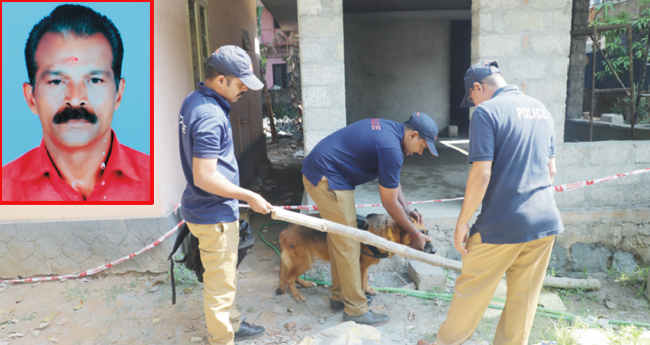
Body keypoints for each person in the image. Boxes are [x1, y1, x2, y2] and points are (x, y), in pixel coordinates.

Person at [417, 61, 564, 345]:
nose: (473, 103)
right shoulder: (541, 109)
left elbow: (482, 174)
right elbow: (551, 170)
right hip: (545, 220)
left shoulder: (486, 112)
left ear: (478, 87)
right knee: (524, 298)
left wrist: (462, 222)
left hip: (502, 224)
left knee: (471, 289)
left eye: (471, 98)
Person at [1, 4, 150, 202]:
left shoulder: (157, 181)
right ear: (31, 98)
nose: (76, 98)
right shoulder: (5, 188)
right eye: (56, 81)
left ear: (119, 94)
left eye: (95, 80)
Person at [302, 113, 438, 326]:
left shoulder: (391, 132)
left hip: (328, 174)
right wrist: (414, 233)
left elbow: (392, 180)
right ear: (413, 135)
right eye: (422, 146)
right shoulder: (391, 148)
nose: (421, 152)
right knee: (348, 243)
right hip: (326, 178)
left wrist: (407, 208)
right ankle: (356, 309)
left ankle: (340, 298)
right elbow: (389, 203)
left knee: (341, 240)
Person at [178, 45, 273, 345]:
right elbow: (204, 175)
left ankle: (232, 323)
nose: (244, 87)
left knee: (223, 279)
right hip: (213, 213)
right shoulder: (209, 115)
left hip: (202, 208)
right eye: (240, 81)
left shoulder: (194, 100)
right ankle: (222, 339)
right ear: (220, 80)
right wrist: (249, 196)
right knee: (220, 289)